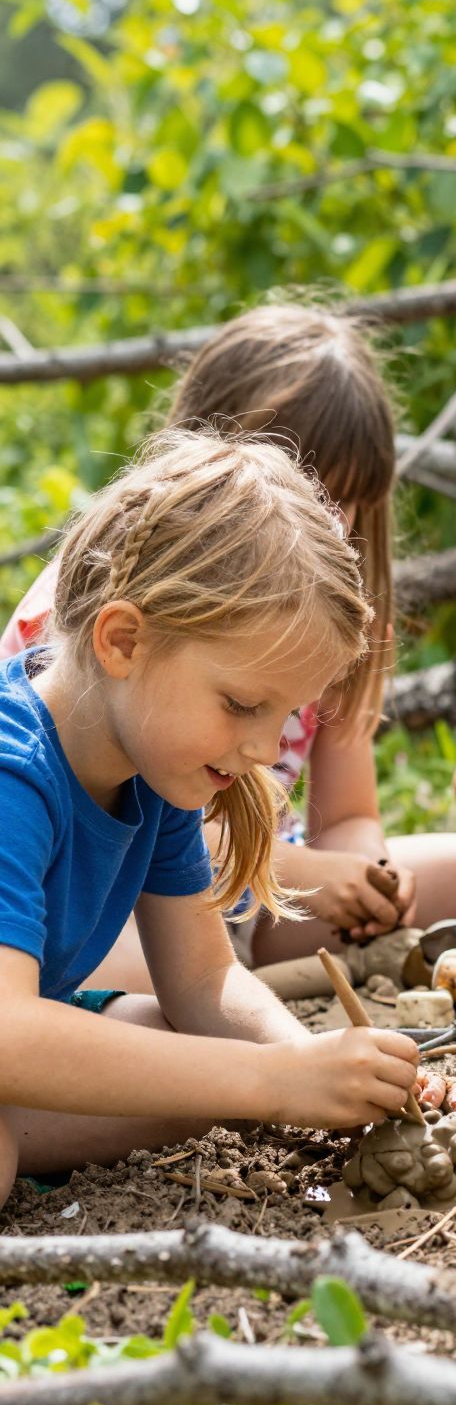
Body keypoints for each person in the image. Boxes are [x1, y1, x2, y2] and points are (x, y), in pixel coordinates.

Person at [3, 304, 456, 979]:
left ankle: (265, 980)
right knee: (130, 982)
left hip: (259, 899)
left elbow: (350, 810)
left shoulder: (331, 631)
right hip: (124, 901)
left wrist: (367, 874)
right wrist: (311, 873)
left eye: (339, 500)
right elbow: (139, 823)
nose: (309, 520)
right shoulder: (104, 614)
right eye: (291, 482)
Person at [0, 431, 419, 1205]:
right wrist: (270, 1081)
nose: (264, 747)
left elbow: (202, 977)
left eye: (285, 714)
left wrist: (321, 1069)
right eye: (241, 705)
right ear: (124, 640)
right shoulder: (13, 770)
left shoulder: (154, 765)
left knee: (185, 1052)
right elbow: (9, 1034)